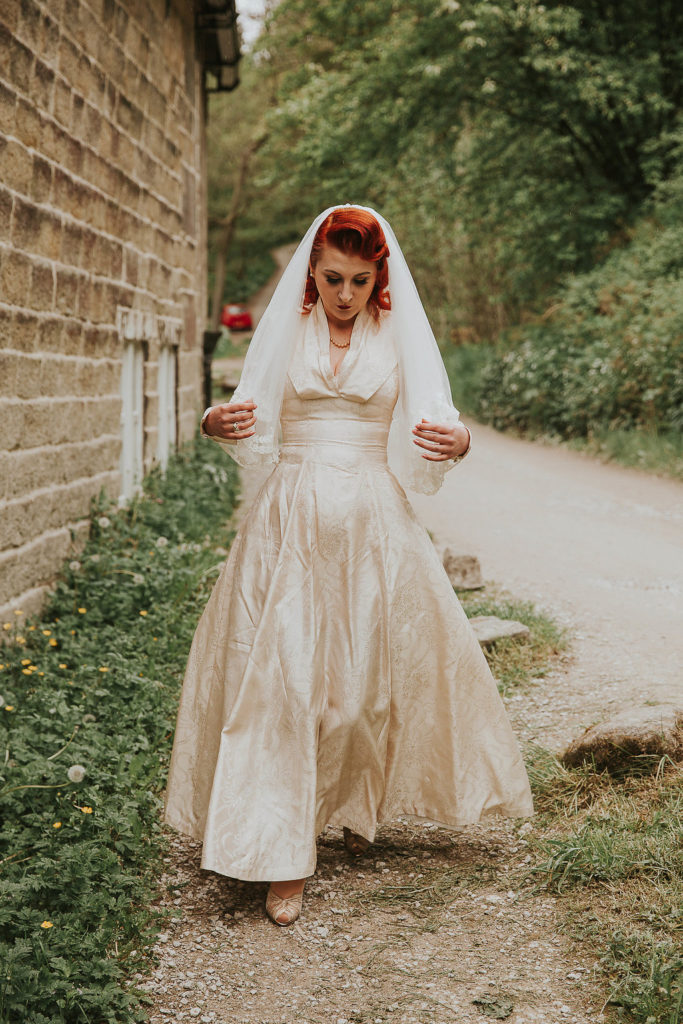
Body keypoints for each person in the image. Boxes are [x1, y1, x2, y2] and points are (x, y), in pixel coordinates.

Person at [163, 205, 533, 927]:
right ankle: (282, 852)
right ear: (313, 273)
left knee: (359, 693)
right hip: (289, 522)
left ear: (377, 278)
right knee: (279, 683)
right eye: (331, 278)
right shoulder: (288, 329)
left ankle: (352, 801)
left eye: (358, 280)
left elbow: (440, 422)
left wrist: (456, 441)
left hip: (371, 523)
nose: (342, 294)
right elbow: (245, 413)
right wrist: (213, 421)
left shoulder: (397, 334)